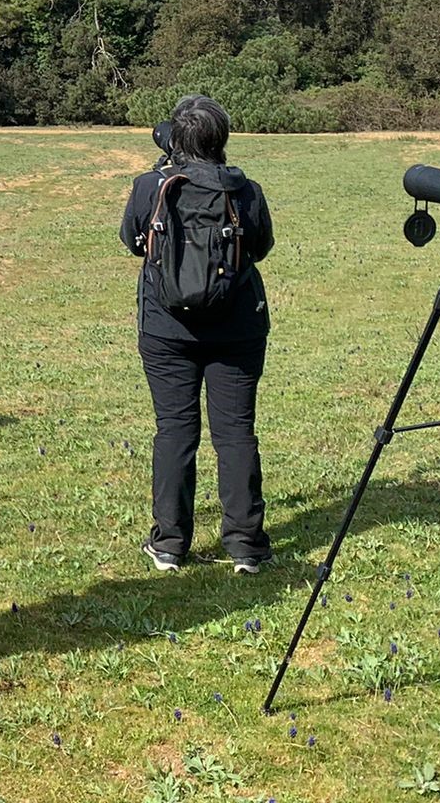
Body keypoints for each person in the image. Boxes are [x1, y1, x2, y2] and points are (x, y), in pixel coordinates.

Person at [119, 94, 276, 574]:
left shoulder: (151, 185)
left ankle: (170, 542)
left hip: (167, 328)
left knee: (174, 430)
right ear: (221, 140)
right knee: (235, 433)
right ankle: (245, 545)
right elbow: (262, 246)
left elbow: (130, 241)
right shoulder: (245, 190)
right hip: (238, 325)